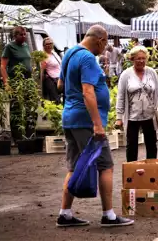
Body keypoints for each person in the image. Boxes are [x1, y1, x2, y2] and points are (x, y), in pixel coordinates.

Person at [56, 25, 133, 227]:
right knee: (105, 165)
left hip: (70, 118)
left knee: (74, 166)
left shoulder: (69, 53)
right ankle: (108, 215)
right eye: (105, 43)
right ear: (99, 40)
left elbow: (59, 85)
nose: (105, 47)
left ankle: (65, 214)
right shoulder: (88, 58)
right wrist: (97, 125)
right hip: (86, 121)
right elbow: (88, 92)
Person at [115, 46, 158, 162]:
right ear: (132, 59)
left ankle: (151, 170)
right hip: (132, 116)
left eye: (143, 58)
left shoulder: (151, 72)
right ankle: (132, 173)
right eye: (138, 59)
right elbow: (120, 97)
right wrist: (118, 117)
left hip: (150, 115)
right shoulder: (126, 75)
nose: (141, 61)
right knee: (131, 146)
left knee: (152, 145)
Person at [40, 37, 62, 103]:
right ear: (44, 46)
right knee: (56, 101)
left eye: (51, 43)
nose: (49, 45)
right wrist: (41, 86)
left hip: (59, 80)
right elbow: (42, 71)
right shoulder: (43, 56)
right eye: (47, 44)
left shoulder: (54, 53)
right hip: (52, 81)